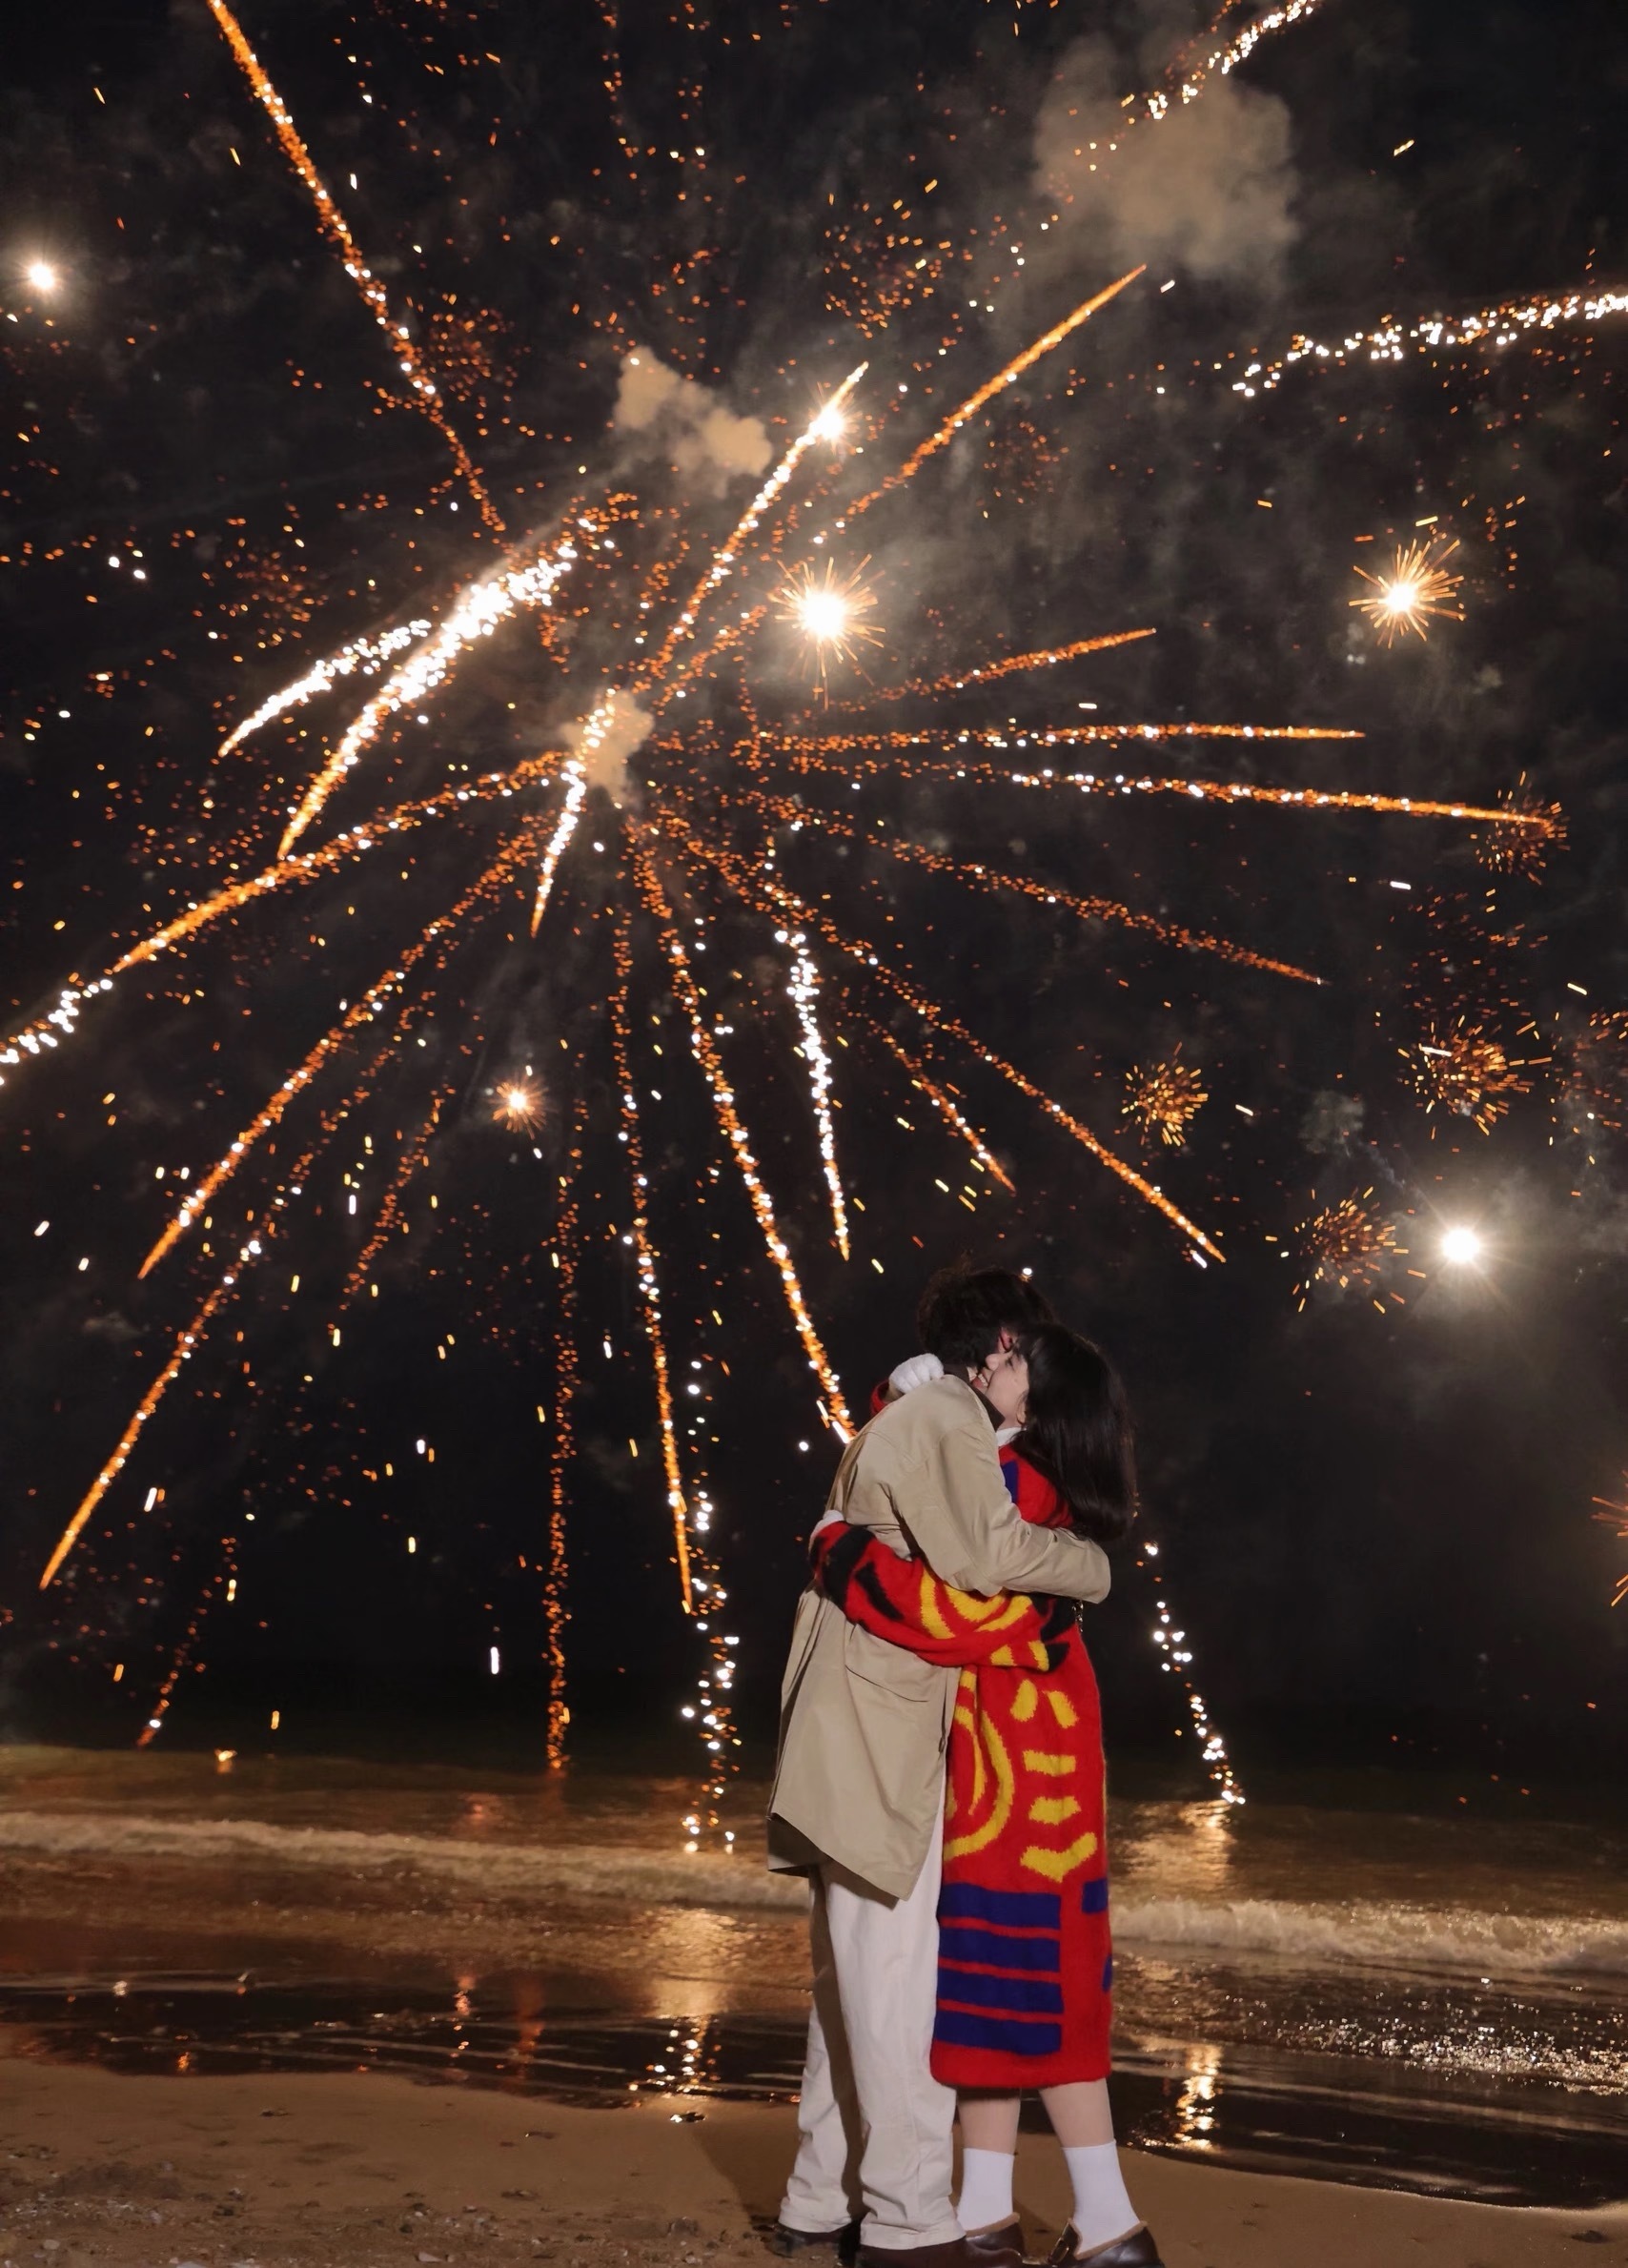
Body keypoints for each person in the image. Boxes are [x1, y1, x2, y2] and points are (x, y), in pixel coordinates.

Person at [768, 1268, 1114, 2268]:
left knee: (850, 1987)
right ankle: (909, 2224)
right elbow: (977, 1576)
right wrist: (1084, 1575)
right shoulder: (946, 1417)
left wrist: (837, 1551)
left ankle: (819, 2202)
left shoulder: (912, 1413)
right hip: (880, 1737)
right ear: (1003, 1346)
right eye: (1030, 1356)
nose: (1036, 1387)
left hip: (848, 1729)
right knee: (892, 1984)